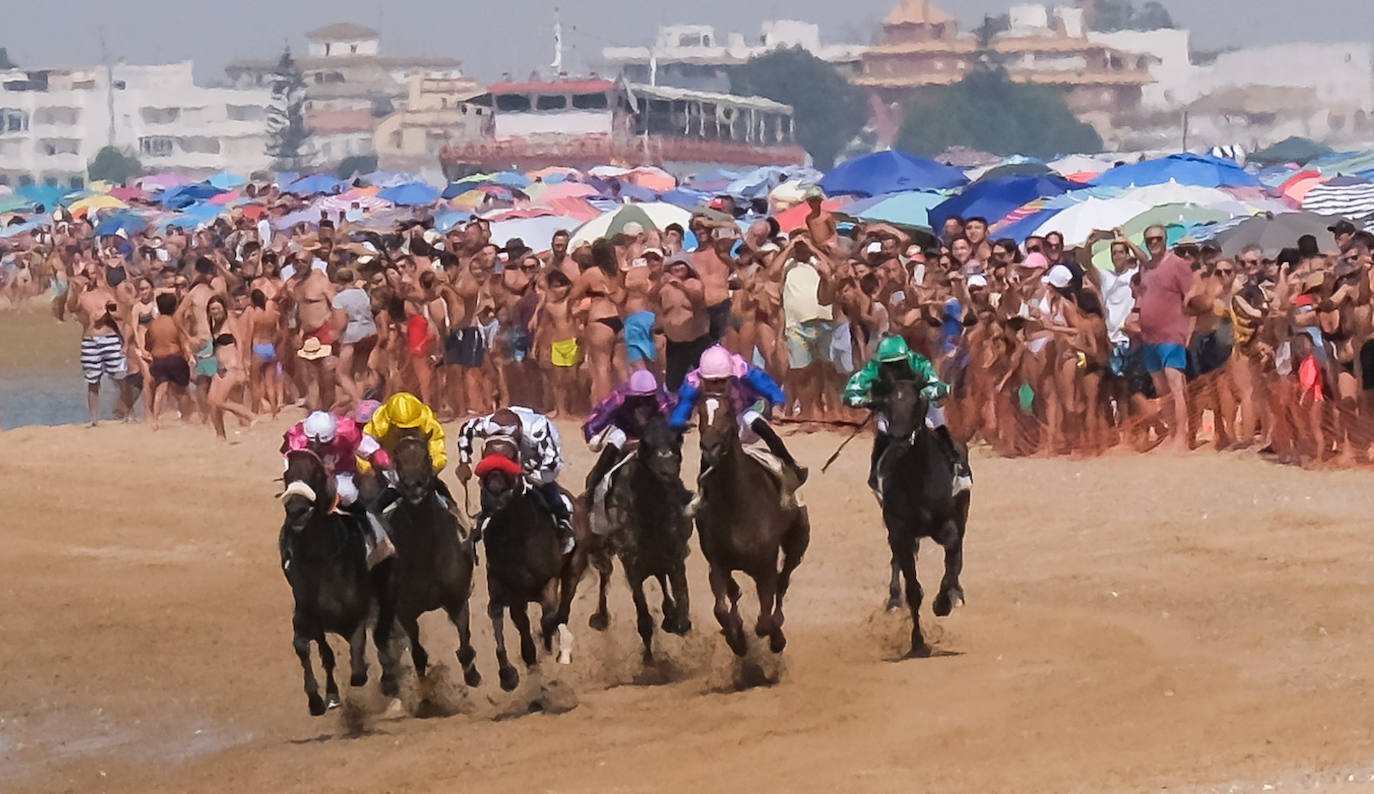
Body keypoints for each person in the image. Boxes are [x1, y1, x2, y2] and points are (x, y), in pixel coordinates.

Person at [669, 344, 806, 508]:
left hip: (742, 422)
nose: (717, 387)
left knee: (752, 419)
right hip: (718, 427)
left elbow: (766, 384)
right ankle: (702, 494)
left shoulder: (743, 372)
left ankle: (790, 466)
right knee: (708, 438)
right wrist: (678, 423)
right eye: (711, 383)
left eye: (721, 382)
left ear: (731, 376)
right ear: (703, 380)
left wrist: (777, 404)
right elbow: (684, 406)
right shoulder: (694, 383)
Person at [842, 334, 971, 496]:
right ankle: (875, 475)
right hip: (890, 407)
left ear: (905, 359)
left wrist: (923, 394)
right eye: (889, 365)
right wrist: (868, 401)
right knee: (883, 429)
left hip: (921, 405)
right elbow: (850, 392)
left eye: (897, 364)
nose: (893, 369)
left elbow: (938, 386)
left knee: (936, 423)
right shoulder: (874, 367)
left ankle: (958, 465)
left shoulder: (918, 362)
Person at [282, 410, 395, 568]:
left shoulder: (347, 430)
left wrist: (382, 460)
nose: (318, 446)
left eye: (325, 444)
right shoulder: (297, 437)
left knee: (350, 495)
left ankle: (377, 539)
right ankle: (288, 550)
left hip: (341, 474)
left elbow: (370, 448)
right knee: (296, 502)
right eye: (314, 443)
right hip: (310, 479)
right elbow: (290, 466)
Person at [456, 406, 575, 554]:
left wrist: (528, 475)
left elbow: (552, 466)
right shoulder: (486, 425)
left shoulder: (539, 431)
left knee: (545, 485)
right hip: (512, 453)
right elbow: (466, 430)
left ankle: (562, 518)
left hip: (535, 457)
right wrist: (464, 461)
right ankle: (486, 515)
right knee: (493, 477)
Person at [581, 368, 677, 501]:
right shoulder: (619, 397)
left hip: (653, 434)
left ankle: (678, 495)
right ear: (631, 394)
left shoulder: (660, 398)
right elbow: (597, 419)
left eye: (648, 399)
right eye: (638, 399)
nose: (644, 404)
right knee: (616, 439)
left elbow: (671, 419)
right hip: (625, 433)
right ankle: (591, 489)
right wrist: (592, 435)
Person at [361, 391, 458, 509]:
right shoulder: (380, 421)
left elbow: (438, 448)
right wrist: (371, 464)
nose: (407, 432)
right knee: (370, 503)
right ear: (391, 422)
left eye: (412, 428)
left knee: (445, 496)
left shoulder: (427, 419)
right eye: (401, 429)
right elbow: (362, 446)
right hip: (388, 471)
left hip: (421, 470)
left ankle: (459, 519)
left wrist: (431, 467)